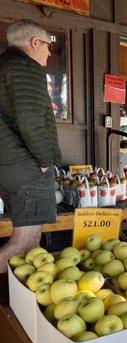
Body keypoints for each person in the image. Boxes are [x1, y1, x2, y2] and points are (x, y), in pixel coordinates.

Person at [0, 19, 61, 273]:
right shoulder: (25, 67)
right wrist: (46, 160)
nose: (48, 52)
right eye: (47, 46)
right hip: (26, 168)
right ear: (35, 42)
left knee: (26, 244)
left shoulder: (4, 66)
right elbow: (30, 121)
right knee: (24, 243)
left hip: (10, 167)